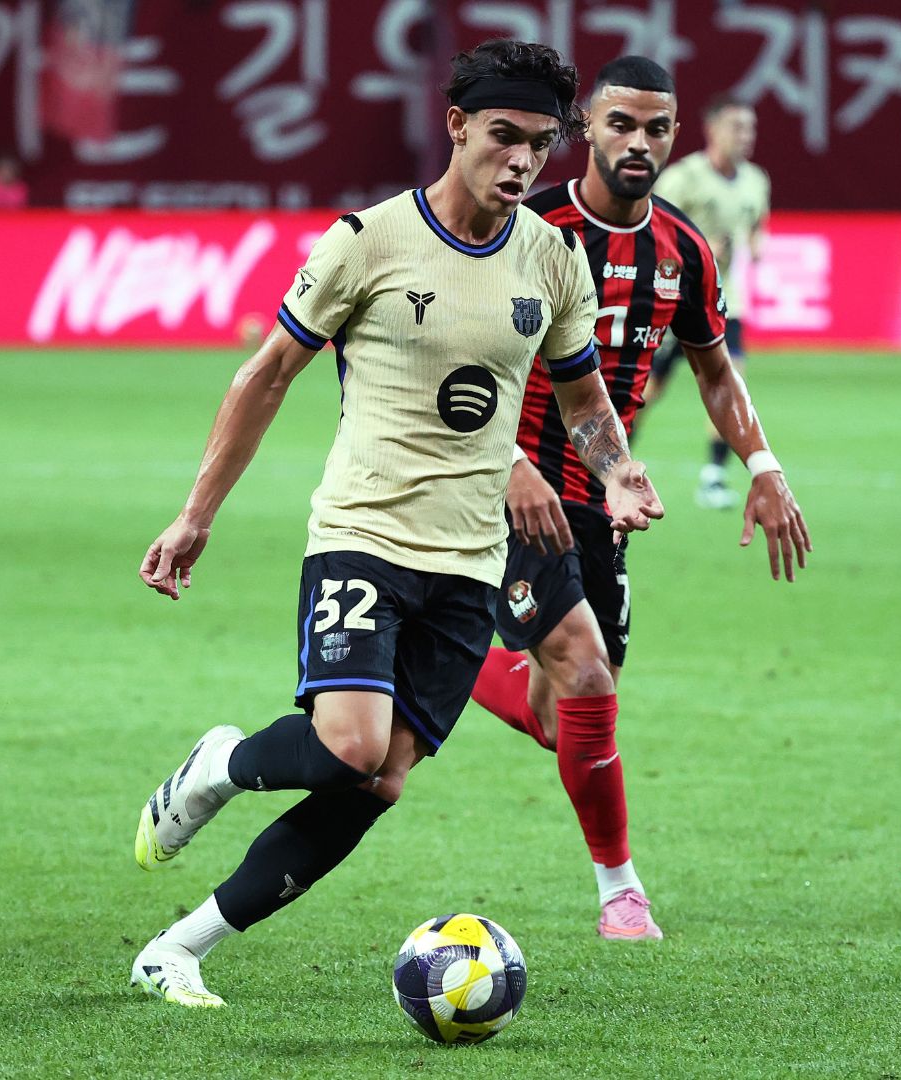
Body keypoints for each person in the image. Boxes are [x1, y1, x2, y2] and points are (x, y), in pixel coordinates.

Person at [124, 39, 665, 1008]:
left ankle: (179, 947)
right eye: (502, 136)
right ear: (456, 126)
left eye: (540, 144)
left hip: (472, 561)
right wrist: (196, 515)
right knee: (350, 745)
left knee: (379, 781)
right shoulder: (366, 241)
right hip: (364, 534)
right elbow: (266, 375)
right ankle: (221, 765)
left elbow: (582, 398)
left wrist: (617, 469)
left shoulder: (552, 260)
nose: (521, 161)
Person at [470, 57, 810, 940]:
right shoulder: (525, 227)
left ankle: (450, 654)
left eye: (657, 128)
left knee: (565, 716)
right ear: (587, 127)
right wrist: (502, 457)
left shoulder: (683, 250)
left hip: (604, 493)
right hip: (507, 484)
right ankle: (621, 891)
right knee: (585, 673)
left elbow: (715, 371)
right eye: (621, 123)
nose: (638, 143)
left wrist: (763, 465)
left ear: (674, 137)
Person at [651, 94, 770, 510]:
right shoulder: (683, 179)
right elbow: (652, 232)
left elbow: (756, 225)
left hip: (723, 302)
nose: (746, 136)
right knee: (645, 392)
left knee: (731, 383)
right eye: (738, 127)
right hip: (673, 300)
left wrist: (756, 245)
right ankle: (606, 468)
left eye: (751, 128)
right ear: (713, 129)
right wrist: (698, 249)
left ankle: (714, 477)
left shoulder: (756, 180)